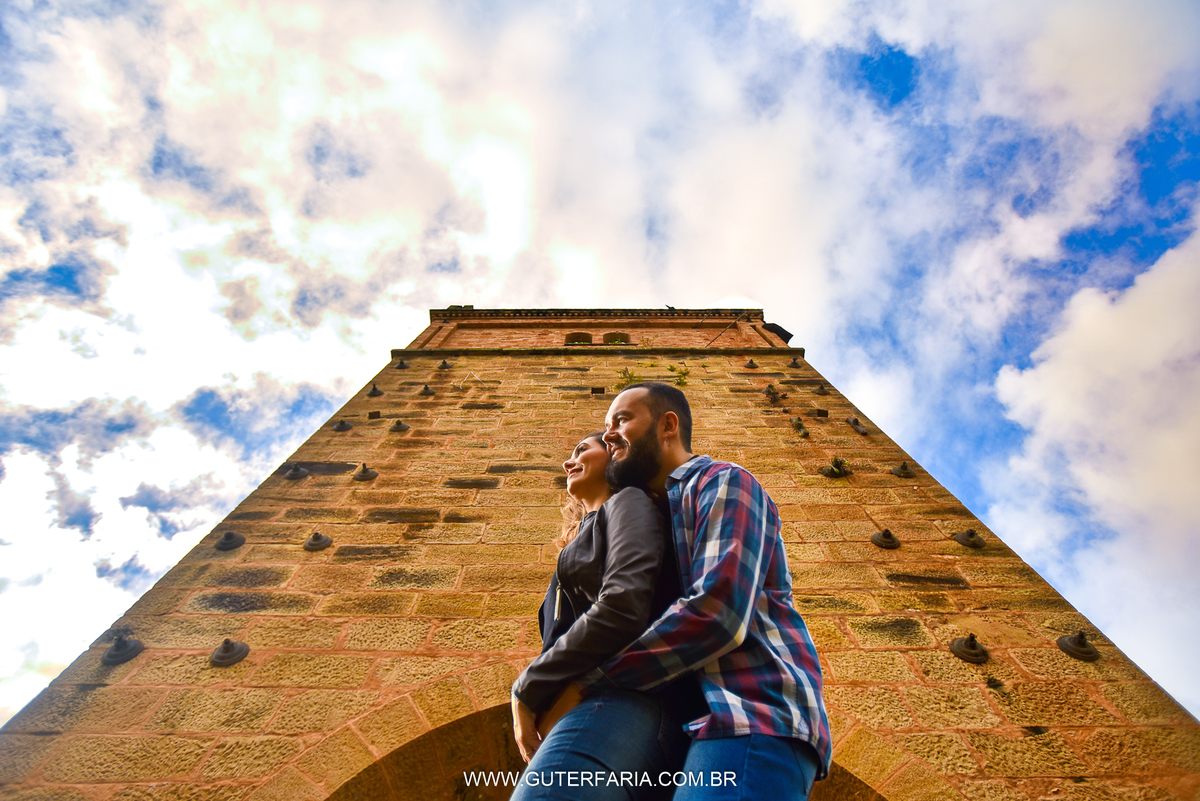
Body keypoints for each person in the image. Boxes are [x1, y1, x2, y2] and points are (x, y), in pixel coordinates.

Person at [574, 383, 832, 801]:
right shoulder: (660, 511)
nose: (608, 434)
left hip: (754, 712)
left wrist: (589, 682)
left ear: (667, 425)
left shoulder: (723, 481)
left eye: (621, 419)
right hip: (684, 719)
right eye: (606, 425)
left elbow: (718, 612)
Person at [509, 432, 692, 801]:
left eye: (582, 450)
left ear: (613, 456)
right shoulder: (585, 536)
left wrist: (528, 687)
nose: (568, 461)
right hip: (596, 710)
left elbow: (623, 605)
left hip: (621, 702)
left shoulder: (628, 500)